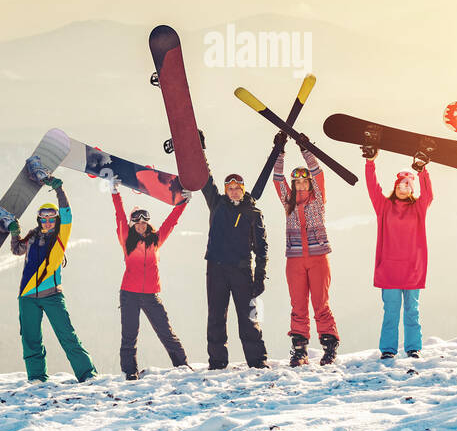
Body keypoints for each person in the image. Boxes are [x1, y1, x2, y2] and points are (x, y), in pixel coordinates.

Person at [8, 176, 97, 382]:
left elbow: (67, 215)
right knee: (30, 339)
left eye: (51, 218)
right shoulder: (31, 238)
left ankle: (88, 375)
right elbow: (16, 250)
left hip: (52, 296)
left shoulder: (60, 237)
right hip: (27, 296)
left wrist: (59, 190)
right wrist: (15, 233)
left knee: (67, 336)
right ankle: (37, 378)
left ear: (55, 220)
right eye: (43, 218)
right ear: (39, 219)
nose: (47, 221)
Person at [362, 134, 434, 359]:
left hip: (413, 268)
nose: (403, 187)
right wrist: (370, 162)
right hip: (390, 269)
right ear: (395, 187)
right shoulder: (384, 206)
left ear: (412, 189)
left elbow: (429, 194)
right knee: (391, 312)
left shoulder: (419, 208)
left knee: (412, 311)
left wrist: (422, 170)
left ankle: (414, 348)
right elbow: (372, 187)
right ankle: (388, 350)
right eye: (400, 184)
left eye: (408, 184)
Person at [271, 134, 339, 366]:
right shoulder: (287, 201)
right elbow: (277, 178)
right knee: (298, 304)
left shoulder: (317, 199)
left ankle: (329, 345)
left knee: (321, 302)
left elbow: (318, 173)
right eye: (297, 182)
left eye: (304, 181)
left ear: (309, 183)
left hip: (318, 257)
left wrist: (305, 149)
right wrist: (280, 151)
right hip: (295, 259)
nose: (300, 184)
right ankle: (300, 350)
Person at [112, 187, 191, 379]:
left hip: (150, 295)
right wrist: (115, 192)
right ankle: (130, 373)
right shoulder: (126, 239)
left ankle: (182, 366)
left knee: (165, 331)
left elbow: (171, 223)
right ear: (132, 224)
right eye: (137, 222)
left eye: (144, 222)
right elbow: (120, 215)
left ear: (148, 223)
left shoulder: (156, 240)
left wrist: (183, 203)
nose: (140, 225)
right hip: (129, 293)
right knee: (129, 335)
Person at [201, 171, 269, 369]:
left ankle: (257, 361)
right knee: (216, 316)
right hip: (216, 268)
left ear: (243, 190)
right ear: (225, 191)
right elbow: (206, 179)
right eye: (229, 189)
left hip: (242, 270)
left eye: (237, 189)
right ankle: (217, 362)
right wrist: (198, 145)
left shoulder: (253, 213)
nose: (233, 192)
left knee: (248, 316)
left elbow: (262, 248)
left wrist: (260, 277)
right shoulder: (217, 204)